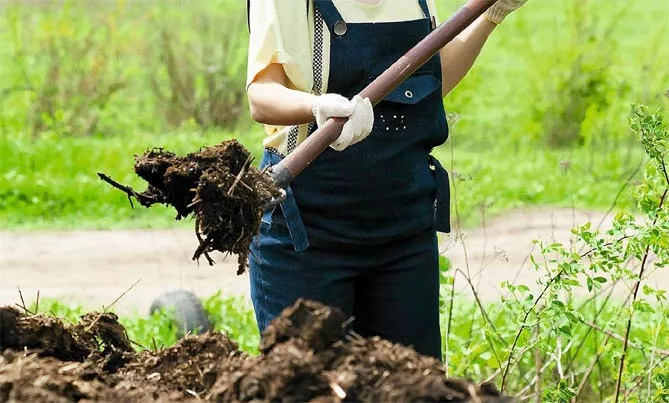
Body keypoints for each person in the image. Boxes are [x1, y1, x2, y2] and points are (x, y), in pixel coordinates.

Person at [245, 0, 529, 360]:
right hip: (308, 234)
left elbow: (428, 81)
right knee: (311, 382)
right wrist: (316, 108)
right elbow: (262, 95)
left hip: (403, 230)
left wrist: (490, 15)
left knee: (411, 382)